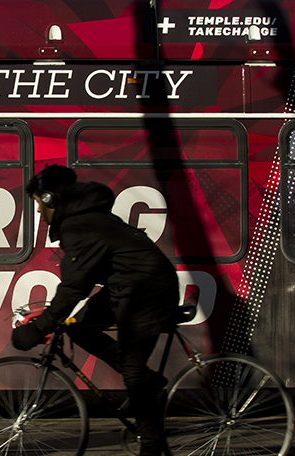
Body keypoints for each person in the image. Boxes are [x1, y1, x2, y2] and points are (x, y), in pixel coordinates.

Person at [12, 165, 179, 456]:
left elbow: (75, 287)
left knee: (132, 369)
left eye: (39, 204)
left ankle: (151, 446)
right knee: (76, 326)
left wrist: (40, 328)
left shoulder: (80, 224)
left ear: (51, 199)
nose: (39, 212)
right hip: (125, 287)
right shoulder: (82, 220)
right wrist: (54, 319)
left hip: (146, 291)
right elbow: (79, 280)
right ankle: (150, 383)